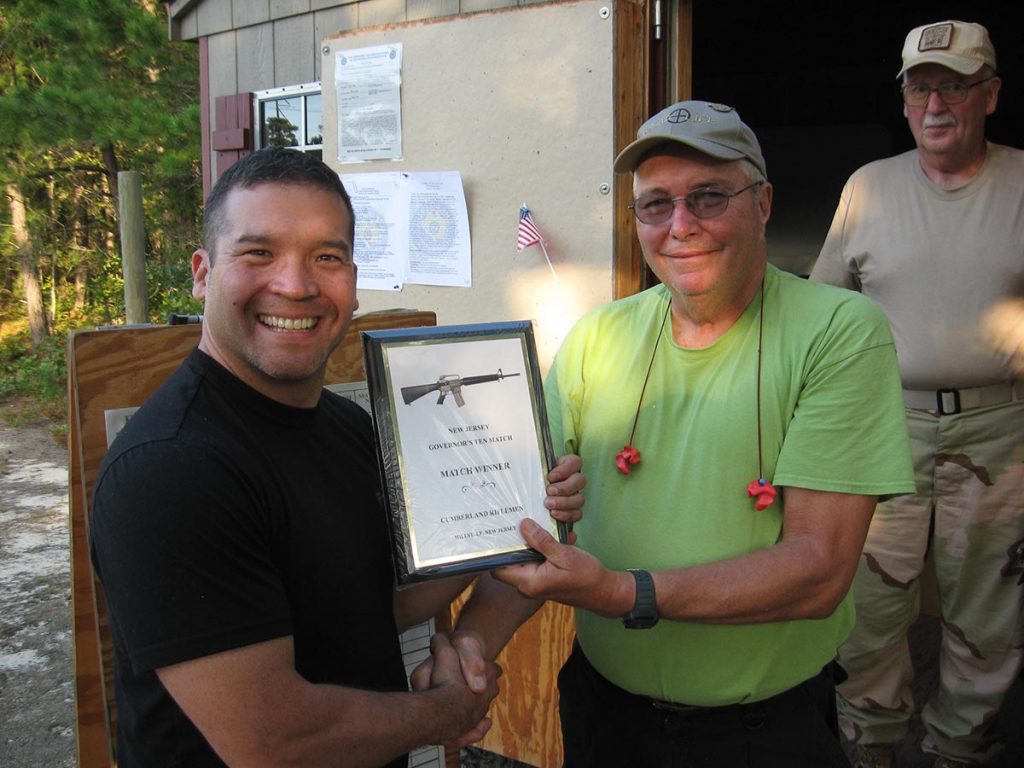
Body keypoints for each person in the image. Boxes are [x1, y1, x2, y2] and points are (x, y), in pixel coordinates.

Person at [420, 101, 915, 766]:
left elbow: (818, 571)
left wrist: (624, 593)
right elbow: (528, 524)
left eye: (709, 197)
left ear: (763, 204)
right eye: (656, 205)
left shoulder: (839, 331)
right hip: (605, 716)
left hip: (760, 735)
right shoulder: (599, 336)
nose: (681, 225)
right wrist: (474, 645)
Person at [88, 146, 585, 768]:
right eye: (258, 252)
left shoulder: (346, 427)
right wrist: (448, 710)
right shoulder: (171, 470)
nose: (295, 285)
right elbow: (274, 742)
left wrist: (514, 513)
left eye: (327, 256)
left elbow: (376, 604)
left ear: (352, 282)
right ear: (202, 273)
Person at [810, 19, 1024, 768]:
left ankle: (960, 752)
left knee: (989, 618)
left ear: (989, 95)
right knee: (866, 609)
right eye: (920, 87)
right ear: (903, 99)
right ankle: (869, 749)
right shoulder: (869, 187)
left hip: (1004, 432)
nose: (935, 104)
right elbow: (823, 315)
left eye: (955, 86)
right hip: (884, 431)